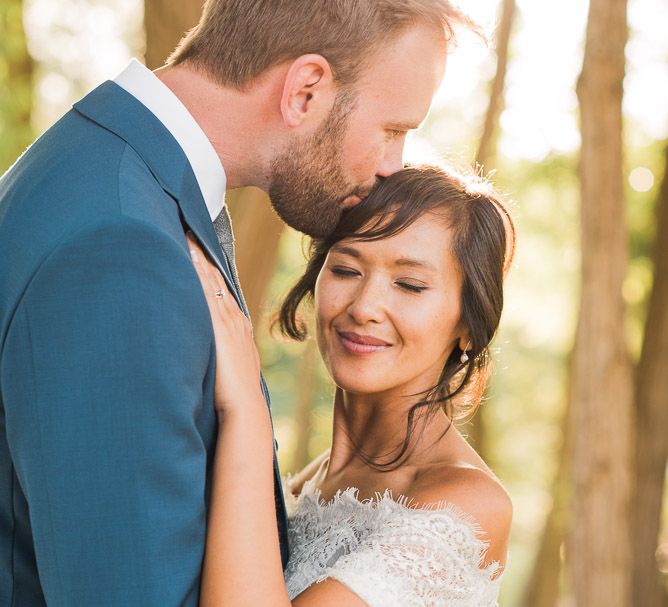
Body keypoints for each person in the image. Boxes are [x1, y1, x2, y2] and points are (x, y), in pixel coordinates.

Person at [0, 1, 475, 605]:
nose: (393, 165)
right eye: (392, 130)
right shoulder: (123, 240)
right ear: (305, 90)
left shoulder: (108, 179)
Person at [188, 164, 515, 606]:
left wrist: (245, 407)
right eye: (345, 270)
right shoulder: (302, 486)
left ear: (470, 326)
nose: (364, 308)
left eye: (410, 285)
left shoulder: (465, 505)